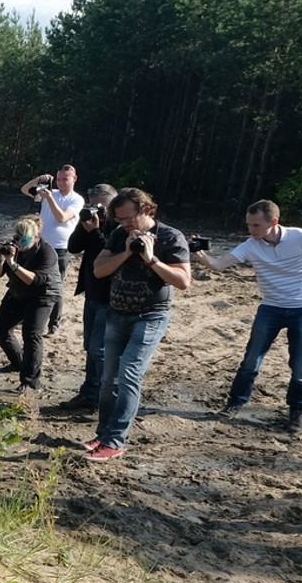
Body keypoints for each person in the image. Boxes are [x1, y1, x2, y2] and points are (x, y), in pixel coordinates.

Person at [194, 200, 302, 433]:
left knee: (301, 365)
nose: (250, 230)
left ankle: (297, 413)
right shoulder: (250, 245)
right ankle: (234, 403)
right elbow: (218, 265)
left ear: (273, 221)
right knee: (251, 360)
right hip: (271, 307)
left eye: (256, 225)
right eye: (248, 224)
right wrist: (198, 252)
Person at [84, 188, 192, 462]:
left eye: (128, 218)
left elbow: (183, 281)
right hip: (117, 313)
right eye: (120, 219)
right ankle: (104, 433)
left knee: (129, 374)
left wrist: (151, 258)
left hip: (150, 316)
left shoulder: (171, 237)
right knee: (108, 380)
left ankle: (115, 441)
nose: (124, 224)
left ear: (146, 210)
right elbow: (99, 269)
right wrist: (126, 252)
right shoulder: (119, 234)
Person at [52, 183, 118, 411]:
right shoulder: (92, 222)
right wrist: (84, 225)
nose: (98, 210)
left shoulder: (120, 227)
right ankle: (90, 392)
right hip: (92, 292)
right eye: (93, 205)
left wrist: (96, 231)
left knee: (100, 350)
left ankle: (105, 396)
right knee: (90, 346)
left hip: (110, 296)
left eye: (102, 206)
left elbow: (109, 255)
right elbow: (73, 247)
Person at [0, 214, 61, 398]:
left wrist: (13, 264)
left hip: (43, 293)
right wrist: (0, 259)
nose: (19, 241)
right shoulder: (13, 248)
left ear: (36, 237)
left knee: (32, 334)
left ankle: (30, 383)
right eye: (17, 236)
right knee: (0, 329)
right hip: (18, 291)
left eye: (24, 238)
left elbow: (34, 280)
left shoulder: (47, 252)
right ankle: (18, 363)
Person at [21, 165, 85, 331]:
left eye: (65, 179)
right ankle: (27, 314)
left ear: (74, 179)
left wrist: (49, 198)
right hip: (40, 245)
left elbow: (61, 218)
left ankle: (54, 322)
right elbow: (25, 189)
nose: (61, 183)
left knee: (55, 285)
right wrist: (40, 179)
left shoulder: (76, 200)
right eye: (59, 179)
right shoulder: (50, 193)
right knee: (32, 280)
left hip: (60, 248)